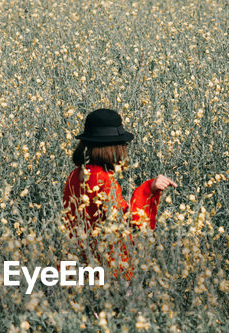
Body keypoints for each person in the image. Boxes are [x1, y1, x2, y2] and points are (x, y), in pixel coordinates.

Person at [62, 108, 176, 279]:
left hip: (75, 264)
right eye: (123, 144)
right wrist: (149, 189)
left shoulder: (75, 174)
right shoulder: (104, 181)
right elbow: (128, 224)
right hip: (106, 270)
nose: (124, 149)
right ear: (113, 147)